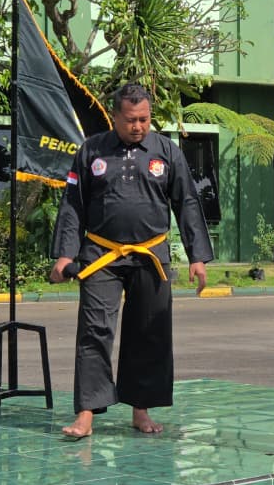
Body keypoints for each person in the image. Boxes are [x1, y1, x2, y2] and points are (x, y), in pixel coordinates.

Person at [50, 83, 213, 439]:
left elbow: (186, 201)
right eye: (131, 120)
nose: (138, 126)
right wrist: (65, 254)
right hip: (100, 254)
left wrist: (197, 256)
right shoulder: (92, 150)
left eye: (144, 119)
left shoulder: (166, 151)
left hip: (150, 255)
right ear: (114, 117)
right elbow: (73, 204)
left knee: (149, 331)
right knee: (94, 330)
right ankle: (86, 413)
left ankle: (141, 410)